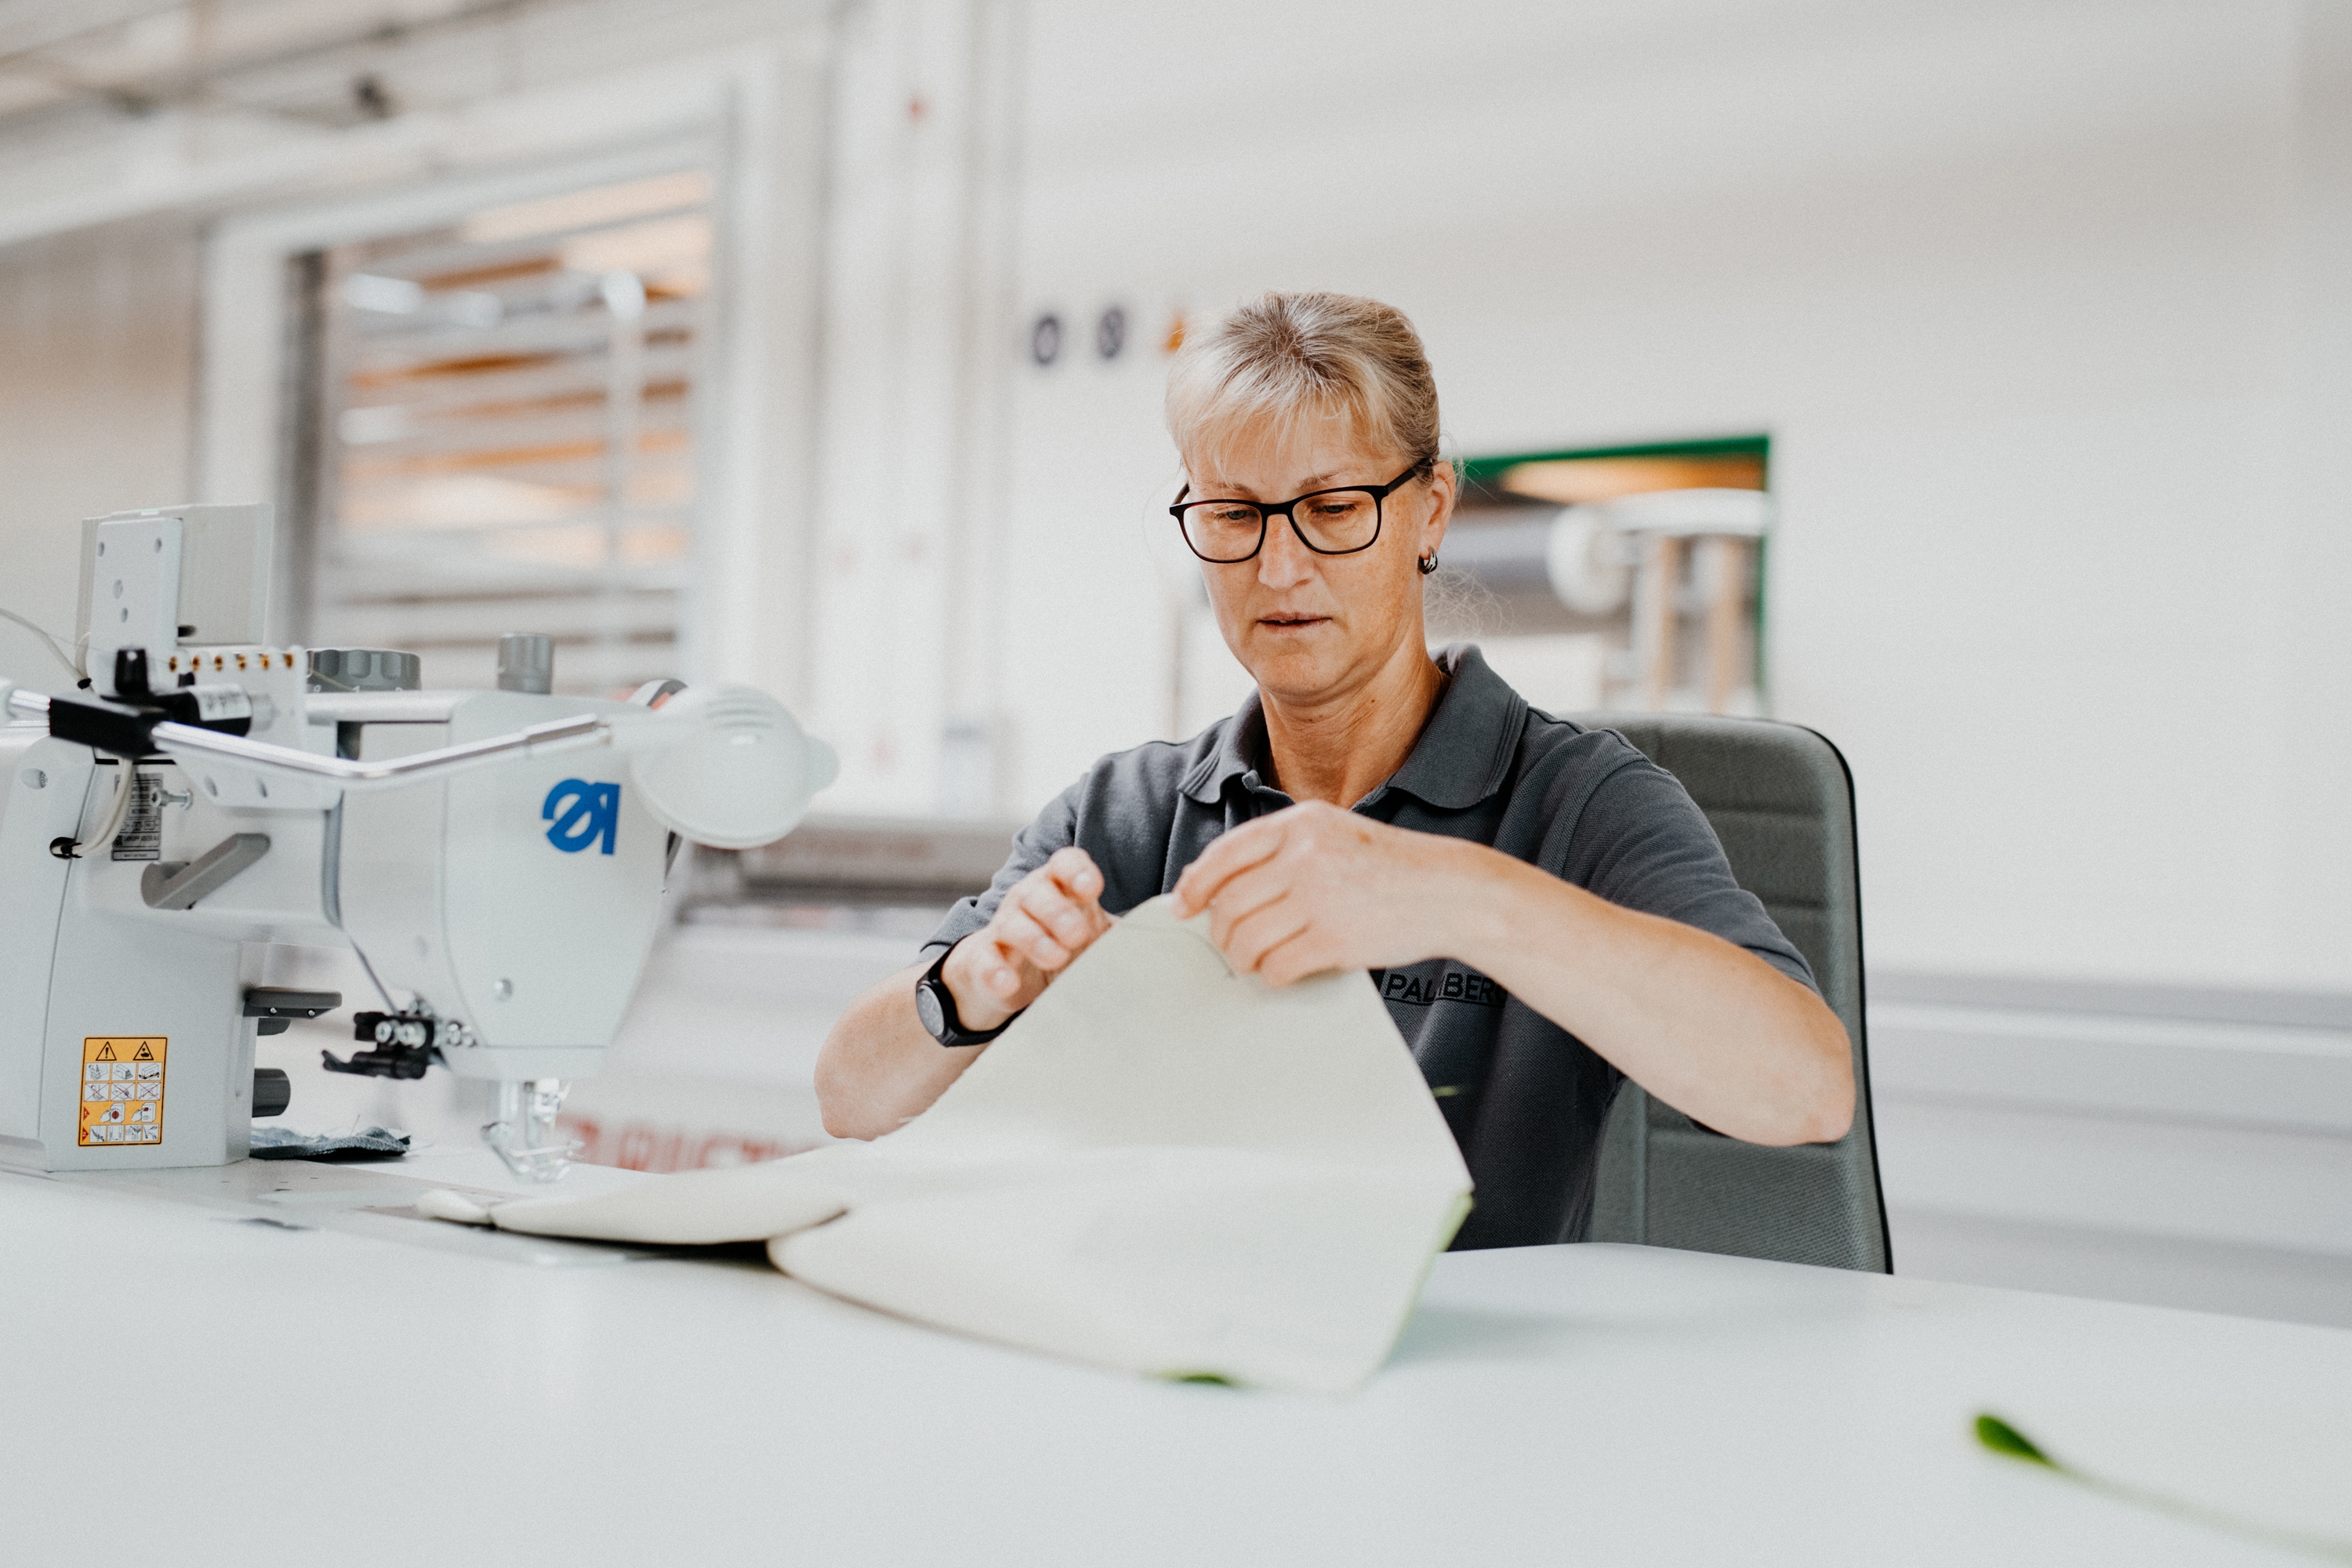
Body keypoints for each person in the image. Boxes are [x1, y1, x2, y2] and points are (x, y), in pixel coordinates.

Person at [816, 290, 1853, 1248]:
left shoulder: (1578, 802)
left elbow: (1806, 1088)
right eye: (1234, 514)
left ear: (1429, 511)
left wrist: (1463, 897)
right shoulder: (1128, 813)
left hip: (1454, 1365)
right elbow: (850, 1099)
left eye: (1335, 507)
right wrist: (970, 988)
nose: (1279, 566)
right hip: (1181, 1336)